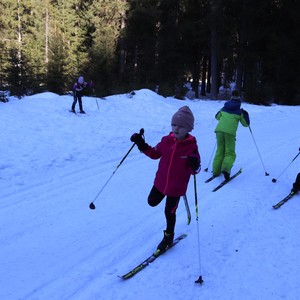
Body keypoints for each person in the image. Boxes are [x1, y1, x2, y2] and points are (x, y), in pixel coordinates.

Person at [130, 106, 201, 252]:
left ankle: (168, 236)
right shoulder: (166, 141)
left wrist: (194, 165)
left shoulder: (191, 147)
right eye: (174, 124)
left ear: (188, 128)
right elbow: (154, 153)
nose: (176, 128)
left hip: (176, 188)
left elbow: (196, 170)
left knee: (169, 212)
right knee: (151, 202)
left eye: (181, 126)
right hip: (160, 182)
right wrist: (141, 144)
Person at [212, 90, 250, 180]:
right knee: (230, 152)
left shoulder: (224, 108)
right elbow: (246, 124)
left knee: (220, 150)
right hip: (230, 133)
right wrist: (246, 115)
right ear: (239, 101)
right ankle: (226, 169)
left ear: (230, 99)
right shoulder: (239, 111)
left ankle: (216, 171)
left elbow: (217, 117)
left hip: (219, 131)